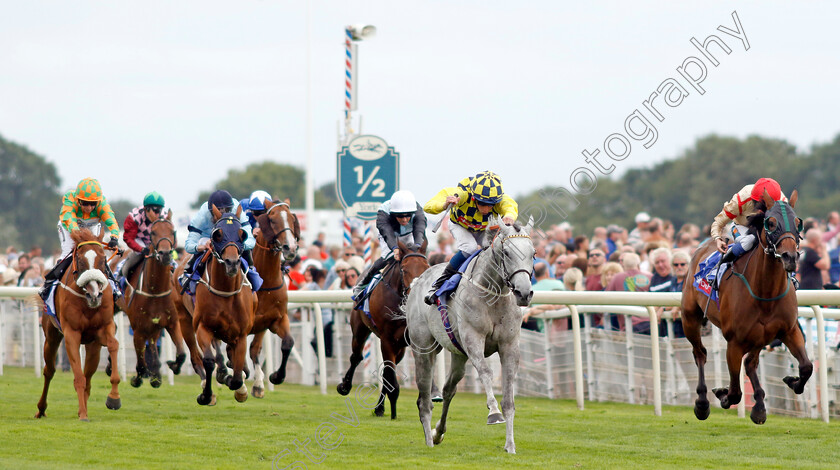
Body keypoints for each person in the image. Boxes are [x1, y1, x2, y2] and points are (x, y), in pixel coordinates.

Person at [422, 171, 518, 305]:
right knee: (470, 248)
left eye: (490, 205)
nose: (486, 209)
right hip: (460, 226)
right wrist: (444, 204)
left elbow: (510, 206)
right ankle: (438, 284)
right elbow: (428, 206)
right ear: (473, 197)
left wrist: (509, 216)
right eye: (482, 203)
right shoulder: (461, 194)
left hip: (482, 229)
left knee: (491, 250)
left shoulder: (501, 199)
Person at [39, 177, 121, 301]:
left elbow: (112, 222)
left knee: (98, 254)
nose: (88, 207)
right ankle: (48, 284)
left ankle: (114, 287)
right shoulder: (70, 200)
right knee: (68, 253)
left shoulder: (103, 204)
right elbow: (69, 220)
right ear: (78, 200)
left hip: (91, 227)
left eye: (92, 204)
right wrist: (80, 237)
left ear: (98, 202)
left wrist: (114, 238)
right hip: (70, 227)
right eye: (84, 203)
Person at [353, 190, 427, 299]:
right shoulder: (383, 213)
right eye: (400, 216)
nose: (405, 219)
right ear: (393, 214)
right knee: (387, 257)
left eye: (408, 216)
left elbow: (419, 231)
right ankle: (363, 283)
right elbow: (387, 233)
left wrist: (418, 246)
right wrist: (395, 248)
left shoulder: (417, 211)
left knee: (418, 257)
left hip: (409, 233)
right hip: (389, 235)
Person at [180, 190, 259, 292]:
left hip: (232, 239)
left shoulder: (236, 207)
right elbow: (189, 245)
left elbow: (250, 241)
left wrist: (237, 246)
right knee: (202, 247)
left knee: (244, 249)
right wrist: (202, 246)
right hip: (209, 238)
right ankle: (189, 273)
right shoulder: (202, 215)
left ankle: (251, 272)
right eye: (219, 211)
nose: (223, 214)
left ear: (231, 208)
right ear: (211, 211)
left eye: (227, 210)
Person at [712, 177, 787, 263]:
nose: (760, 210)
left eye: (766, 207)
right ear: (752, 199)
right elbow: (719, 222)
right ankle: (723, 262)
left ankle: (790, 274)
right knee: (749, 241)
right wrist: (717, 239)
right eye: (758, 204)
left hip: (767, 230)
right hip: (741, 227)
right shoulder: (742, 198)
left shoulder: (783, 203)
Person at [121, 191, 169, 280]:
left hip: (156, 242)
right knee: (133, 260)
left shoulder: (165, 218)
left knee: (172, 262)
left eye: (160, 210)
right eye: (155, 210)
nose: (158, 214)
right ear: (146, 209)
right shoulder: (134, 217)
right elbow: (128, 238)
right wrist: (141, 249)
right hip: (139, 240)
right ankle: (121, 278)